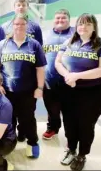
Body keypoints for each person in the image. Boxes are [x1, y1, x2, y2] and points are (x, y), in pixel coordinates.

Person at [55, 13, 101, 171]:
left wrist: (76, 76)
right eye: (80, 24)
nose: (83, 27)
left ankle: (82, 155)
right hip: (69, 90)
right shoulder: (69, 41)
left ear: (94, 27)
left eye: (87, 24)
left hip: (93, 92)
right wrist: (67, 76)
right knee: (69, 122)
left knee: (86, 125)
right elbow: (58, 62)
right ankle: (71, 150)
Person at [0, 13, 46, 158]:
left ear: (27, 26)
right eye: (17, 24)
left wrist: (40, 88)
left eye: (22, 24)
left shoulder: (34, 45)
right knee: (8, 118)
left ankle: (32, 142)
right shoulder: (2, 44)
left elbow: (40, 68)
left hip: (28, 90)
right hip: (6, 91)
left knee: (27, 118)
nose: (19, 27)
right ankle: (9, 142)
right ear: (12, 26)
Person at [42, 9, 75, 140]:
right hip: (49, 78)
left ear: (69, 20)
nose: (60, 20)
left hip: (69, 79)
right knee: (52, 108)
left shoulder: (75, 34)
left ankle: (71, 136)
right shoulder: (46, 35)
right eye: (57, 18)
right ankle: (53, 128)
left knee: (70, 110)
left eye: (63, 18)